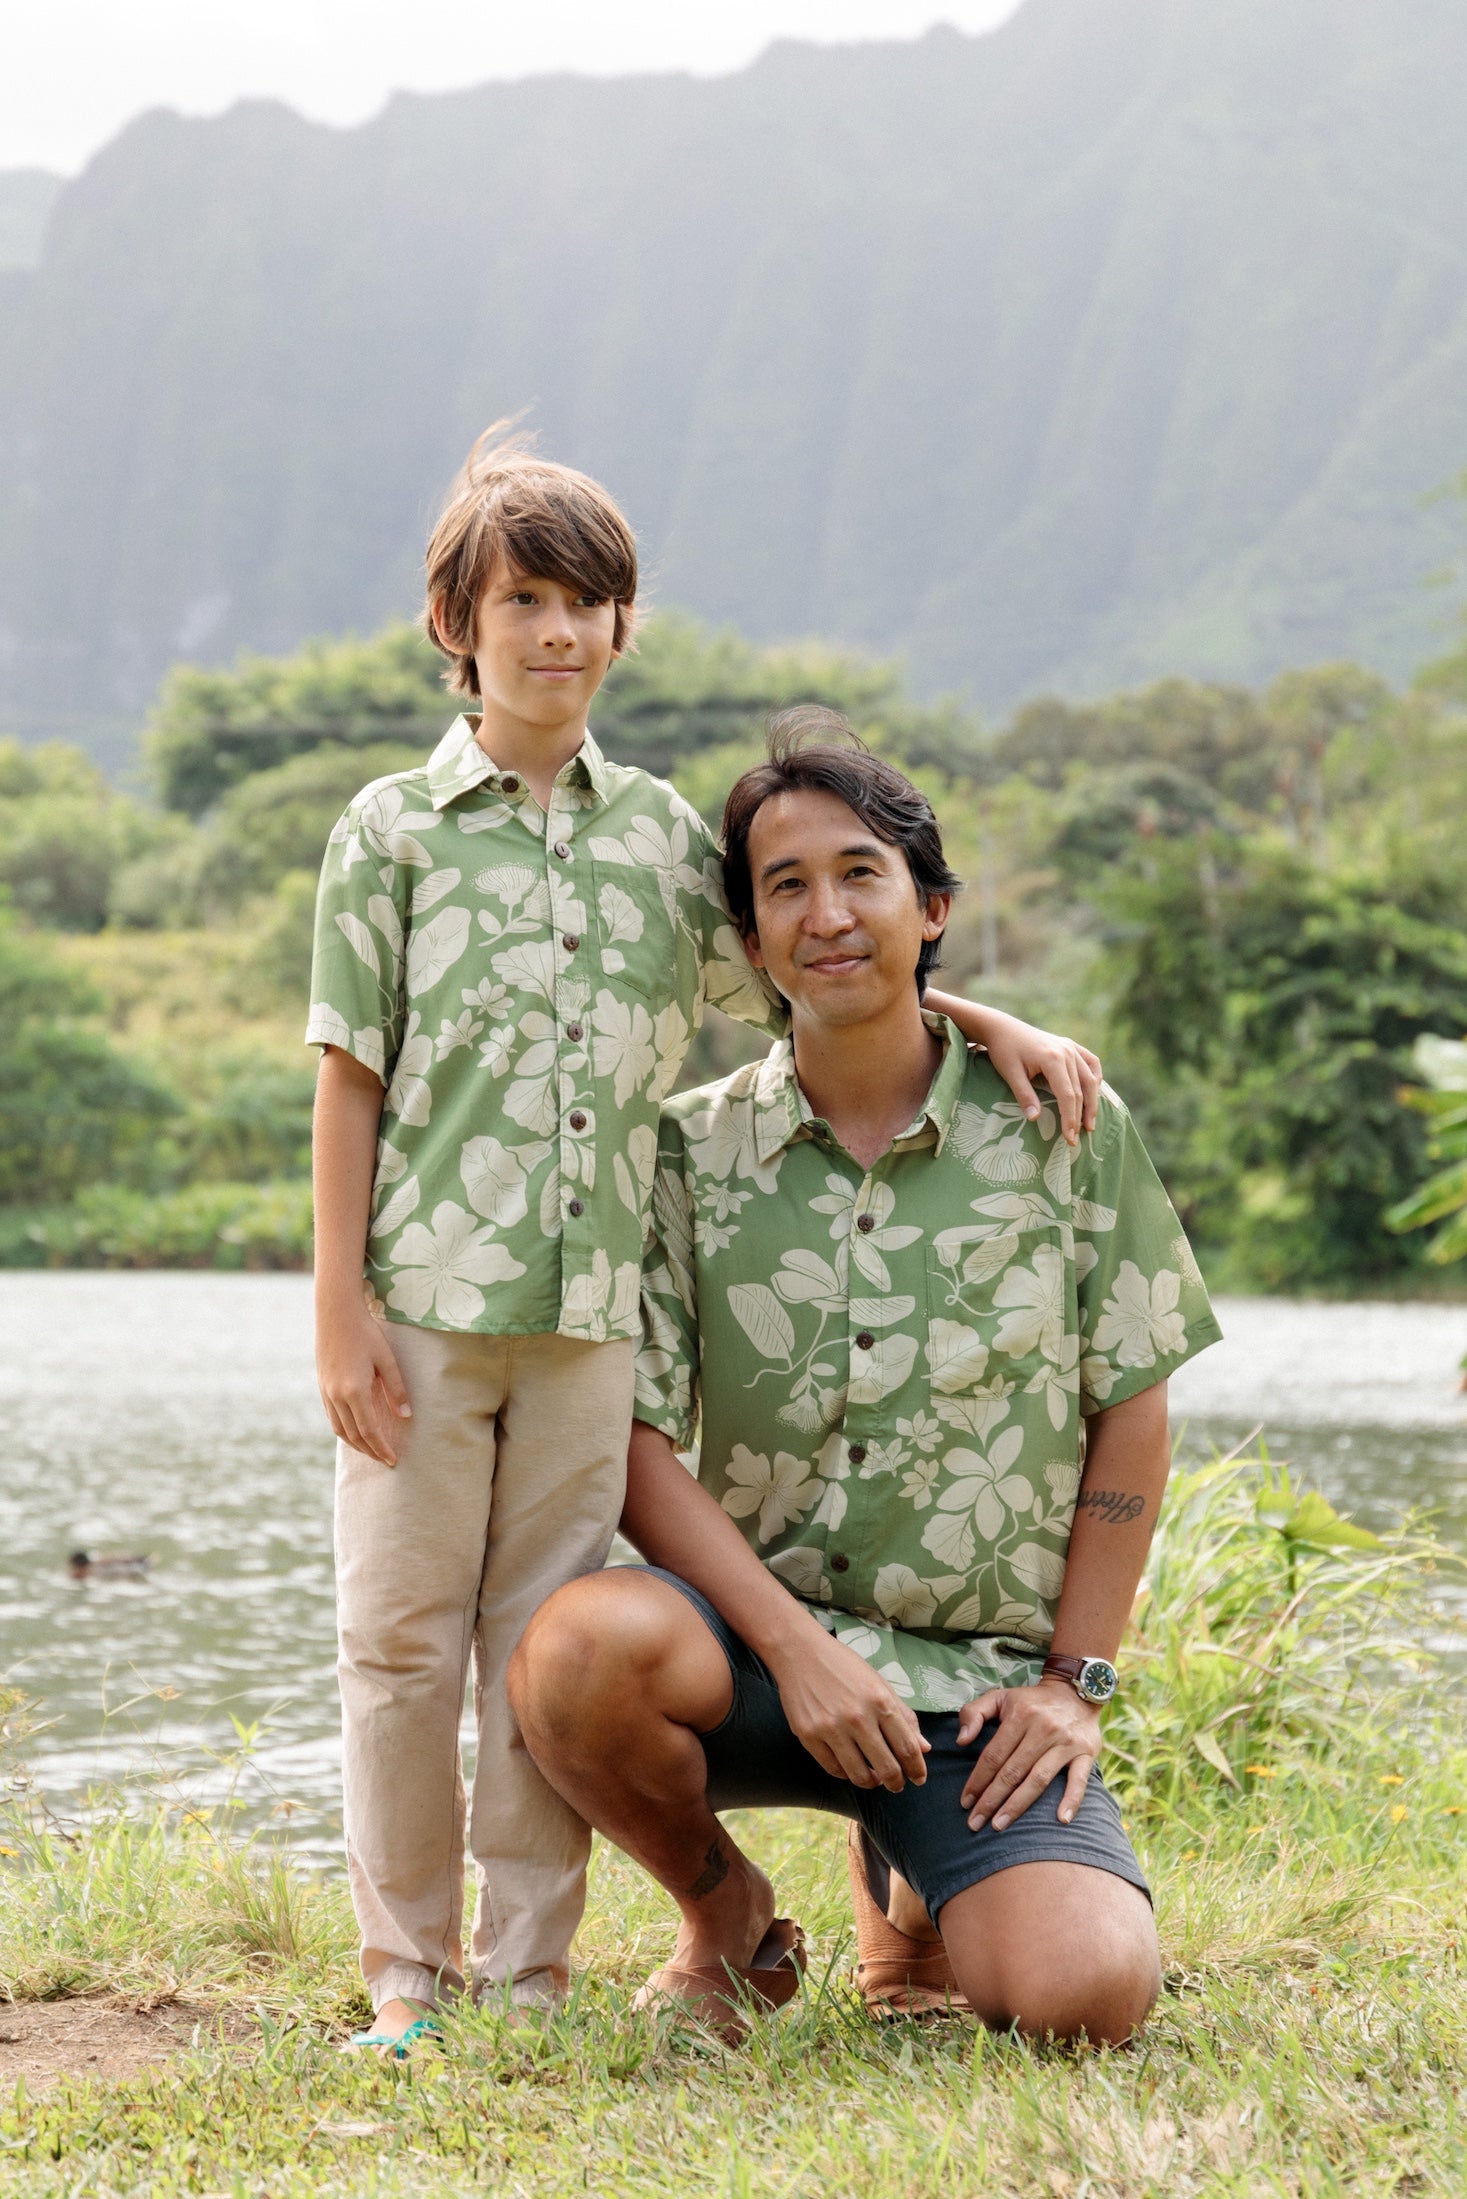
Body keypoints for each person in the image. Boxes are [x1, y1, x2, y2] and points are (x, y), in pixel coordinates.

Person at [307, 429, 1107, 2049]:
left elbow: (816, 970)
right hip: (424, 1306)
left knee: (537, 1641)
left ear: (620, 629)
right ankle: (410, 1979)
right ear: (457, 626)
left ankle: (530, 1975)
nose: (553, 633)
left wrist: (978, 1008)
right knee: (396, 1643)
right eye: (520, 599)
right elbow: (351, 1071)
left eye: (584, 602)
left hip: (598, 1317)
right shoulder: (390, 832)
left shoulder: (668, 836)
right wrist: (339, 1305)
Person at [509, 719, 1222, 2046]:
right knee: (578, 1652)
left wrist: (1077, 1683)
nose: (826, 915)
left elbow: (1133, 1403)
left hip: (976, 1699)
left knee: (1087, 2001)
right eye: (786, 887)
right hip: (752, 1666)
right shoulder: (684, 1155)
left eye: (861, 875)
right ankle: (725, 1915)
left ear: (931, 906)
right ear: (752, 936)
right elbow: (639, 1442)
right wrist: (800, 1653)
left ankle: (908, 1897)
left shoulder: (1063, 1128)